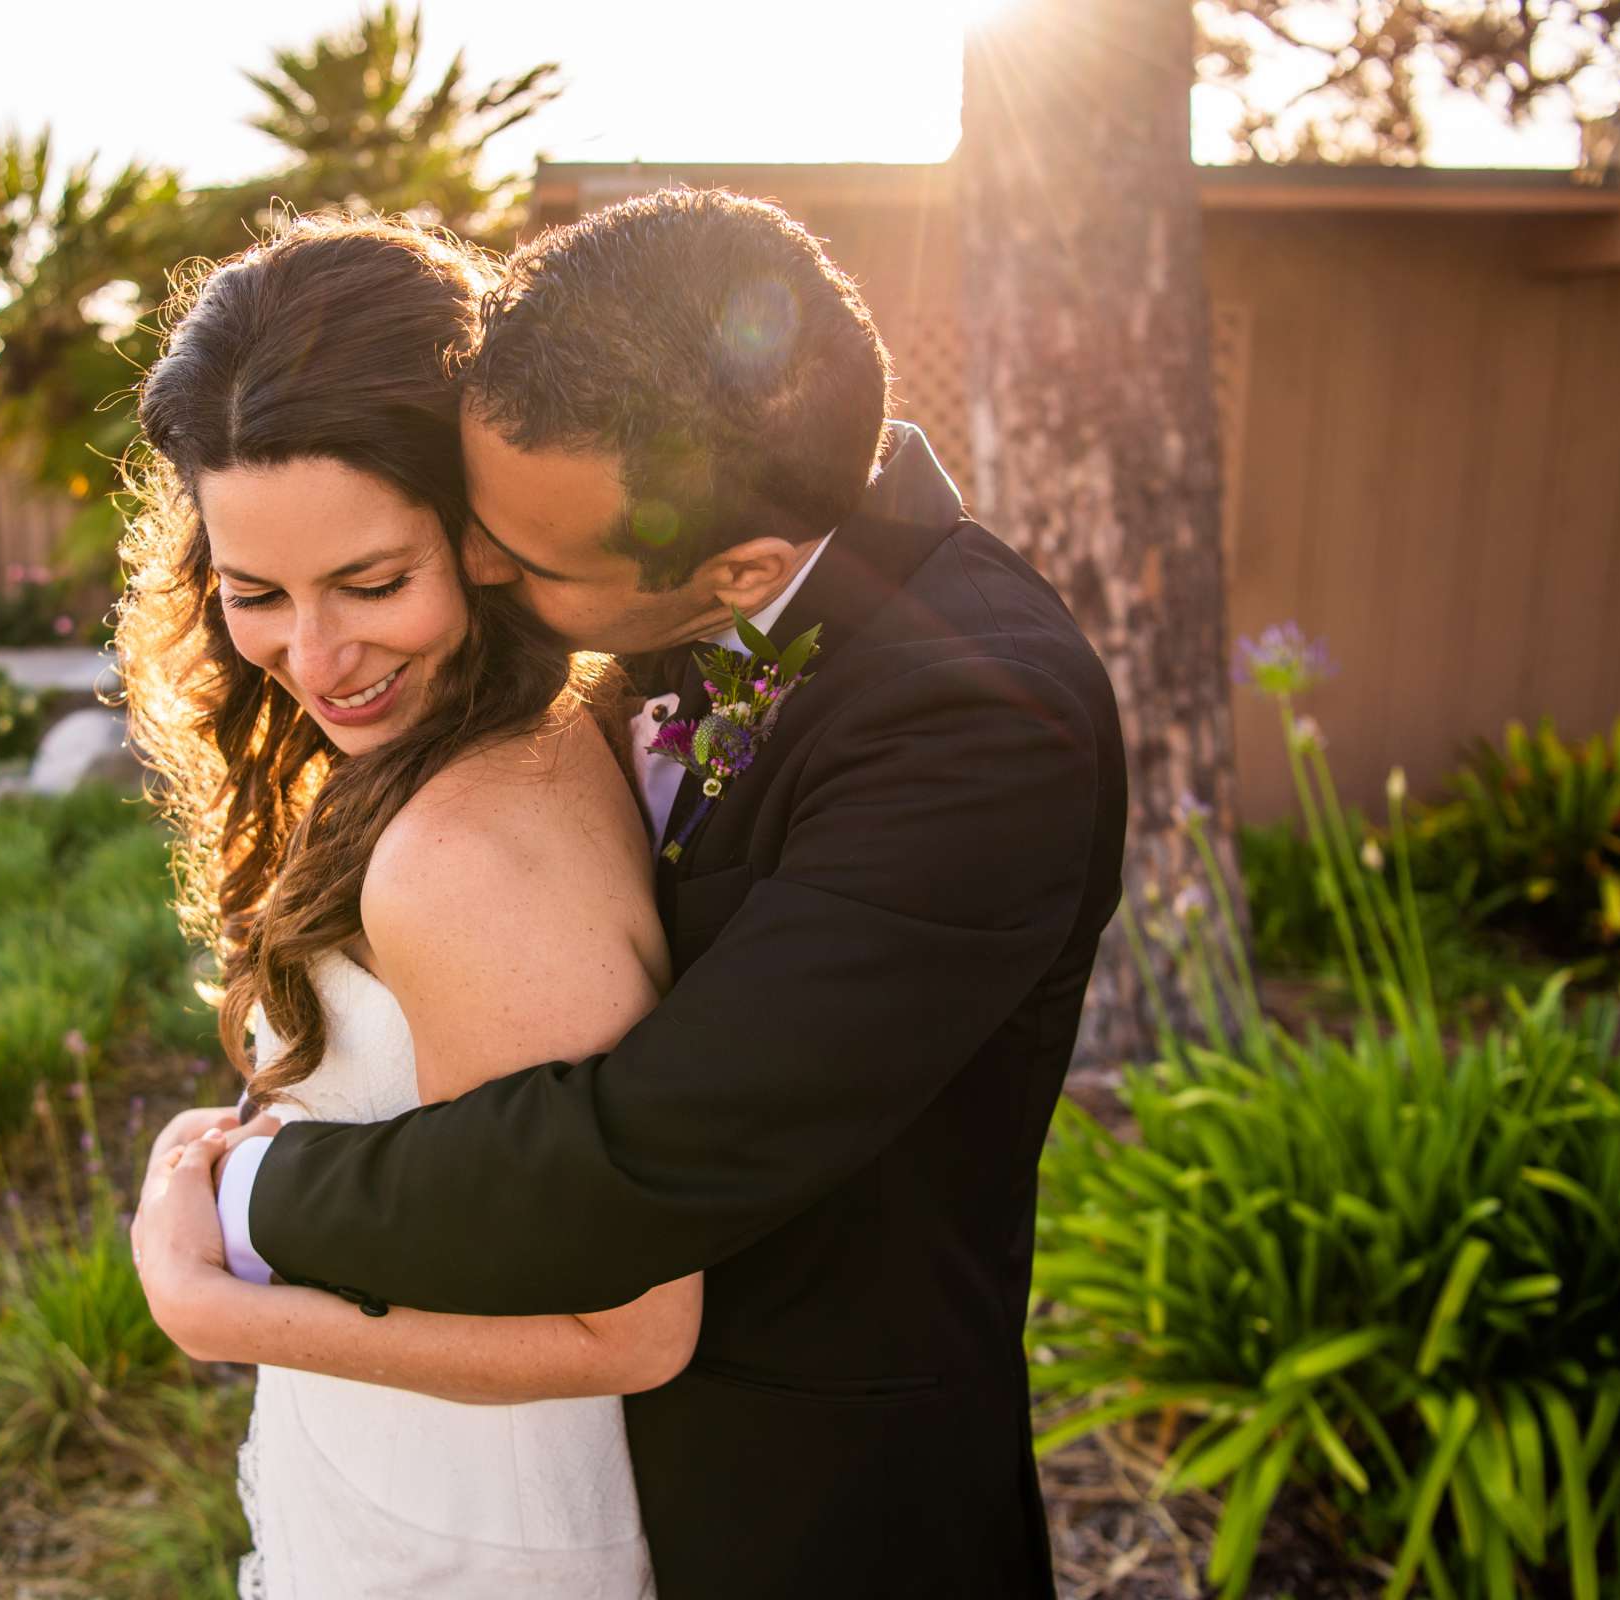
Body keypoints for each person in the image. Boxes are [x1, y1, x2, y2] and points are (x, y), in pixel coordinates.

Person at [136, 187, 1131, 1598]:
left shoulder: (974, 722)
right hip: (523, 1448)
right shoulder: (646, 577)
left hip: (812, 1500)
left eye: (511, 561)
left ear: (739, 574)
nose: (486, 568)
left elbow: (646, 1150)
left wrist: (244, 1218)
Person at [116, 211, 697, 1598]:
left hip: (471, 1529)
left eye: (372, 582)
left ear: (486, 529)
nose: (315, 659)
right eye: (254, 592)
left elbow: (625, 1330)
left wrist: (214, 1308)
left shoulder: (466, 854)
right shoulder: (472, 736)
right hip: (406, 1473)